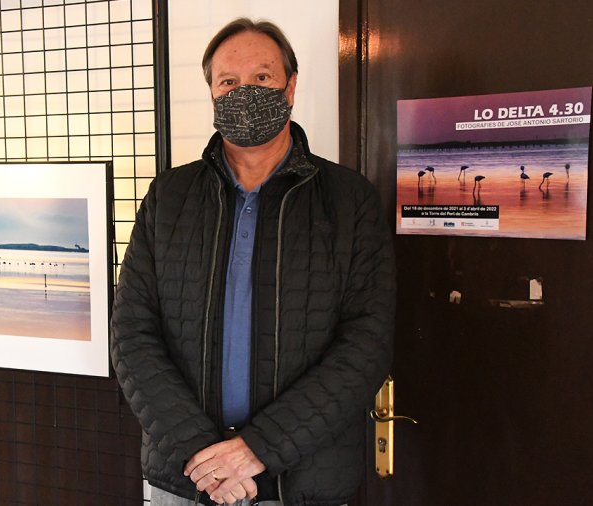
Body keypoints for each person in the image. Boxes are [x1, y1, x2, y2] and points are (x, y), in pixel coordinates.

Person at [111, 17, 395, 506]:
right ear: (213, 94)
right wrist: (203, 454)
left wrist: (256, 450)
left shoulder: (349, 201)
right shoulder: (169, 197)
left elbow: (366, 345)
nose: (244, 92)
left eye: (261, 78)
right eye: (228, 82)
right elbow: (132, 332)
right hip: (185, 479)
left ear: (290, 86)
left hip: (303, 482)